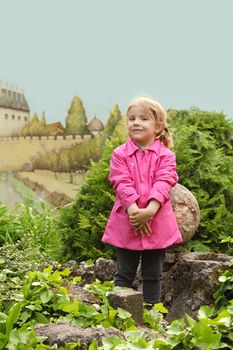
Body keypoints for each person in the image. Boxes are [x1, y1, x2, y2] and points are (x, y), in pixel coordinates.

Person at [102, 96, 183, 308]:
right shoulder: (119, 154)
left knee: (152, 273)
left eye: (143, 118)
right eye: (132, 118)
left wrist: (150, 210)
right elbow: (121, 182)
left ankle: (151, 315)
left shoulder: (166, 156)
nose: (136, 122)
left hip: (156, 222)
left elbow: (165, 181)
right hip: (128, 220)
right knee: (124, 272)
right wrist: (135, 211)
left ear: (158, 127)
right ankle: (120, 313)